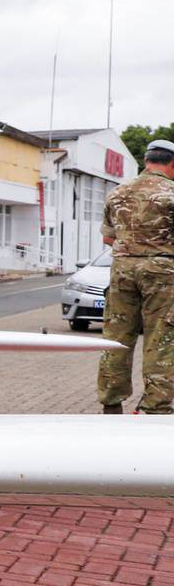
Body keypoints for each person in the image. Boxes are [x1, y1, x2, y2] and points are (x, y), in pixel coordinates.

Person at [98, 137, 174, 414]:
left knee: (117, 336)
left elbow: (109, 239)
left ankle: (111, 403)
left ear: (147, 161)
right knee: (161, 338)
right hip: (162, 272)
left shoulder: (117, 192)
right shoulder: (171, 193)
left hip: (122, 271)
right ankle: (157, 408)